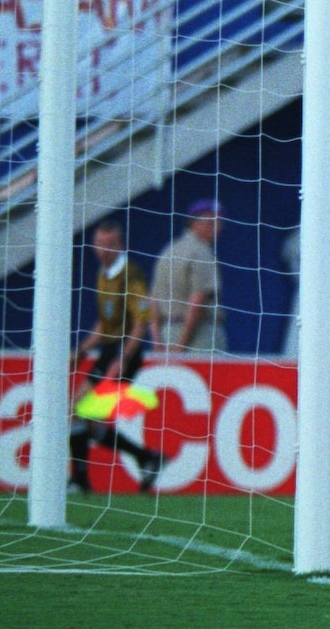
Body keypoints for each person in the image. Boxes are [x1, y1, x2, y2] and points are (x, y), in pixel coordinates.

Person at [70, 218, 166, 494]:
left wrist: (122, 359)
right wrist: (83, 350)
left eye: (110, 245)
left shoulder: (131, 275)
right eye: (100, 245)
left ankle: (80, 480)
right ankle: (146, 458)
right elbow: (104, 323)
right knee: (86, 420)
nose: (104, 250)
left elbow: (140, 323)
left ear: (120, 245)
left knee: (77, 411)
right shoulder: (103, 274)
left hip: (125, 352)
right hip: (109, 351)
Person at [150, 198, 227, 354]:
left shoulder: (168, 251)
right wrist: (181, 344)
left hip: (167, 332)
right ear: (195, 222)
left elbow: (152, 299)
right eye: (212, 222)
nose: (218, 228)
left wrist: (156, 339)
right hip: (199, 337)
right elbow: (198, 300)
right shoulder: (201, 252)